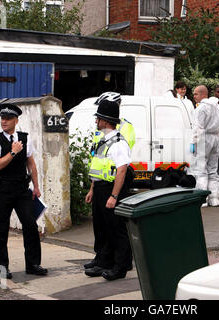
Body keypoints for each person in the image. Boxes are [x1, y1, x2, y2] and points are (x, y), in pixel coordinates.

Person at [0, 103, 47, 279]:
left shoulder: (24, 138)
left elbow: (31, 163)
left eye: (7, 118)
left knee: (30, 225)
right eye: (2, 118)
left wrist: (36, 187)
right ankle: (2, 268)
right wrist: (13, 153)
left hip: (22, 189)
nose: (4, 121)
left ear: (16, 120)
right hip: (2, 189)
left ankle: (33, 264)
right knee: (0, 229)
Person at [84, 99, 133, 281]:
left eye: (98, 119)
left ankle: (120, 266)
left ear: (105, 120)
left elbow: (121, 170)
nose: (96, 121)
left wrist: (114, 195)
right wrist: (92, 189)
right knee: (102, 228)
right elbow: (97, 168)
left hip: (111, 189)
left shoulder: (118, 143)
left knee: (117, 229)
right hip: (99, 188)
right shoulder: (103, 140)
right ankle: (104, 261)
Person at [190, 85, 219, 207]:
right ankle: (214, 198)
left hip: (203, 139)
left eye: (196, 94)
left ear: (203, 94)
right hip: (215, 138)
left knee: (201, 169)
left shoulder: (200, 109)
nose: (194, 96)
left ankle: (202, 198)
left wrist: (193, 142)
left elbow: (198, 127)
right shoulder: (216, 107)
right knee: (213, 170)